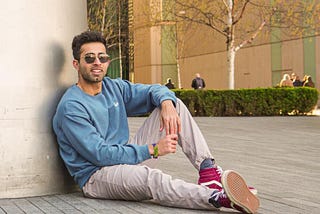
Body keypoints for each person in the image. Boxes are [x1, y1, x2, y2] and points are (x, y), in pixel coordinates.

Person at [52, 31, 259, 213]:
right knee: (151, 179)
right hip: (97, 176)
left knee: (172, 103)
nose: (97, 62)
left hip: (124, 157)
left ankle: (208, 171)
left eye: (102, 57)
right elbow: (99, 155)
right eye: (89, 58)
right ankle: (216, 197)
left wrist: (167, 104)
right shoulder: (72, 106)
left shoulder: (113, 87)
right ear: (76, 64)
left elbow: (155, 90)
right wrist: (152, 149)